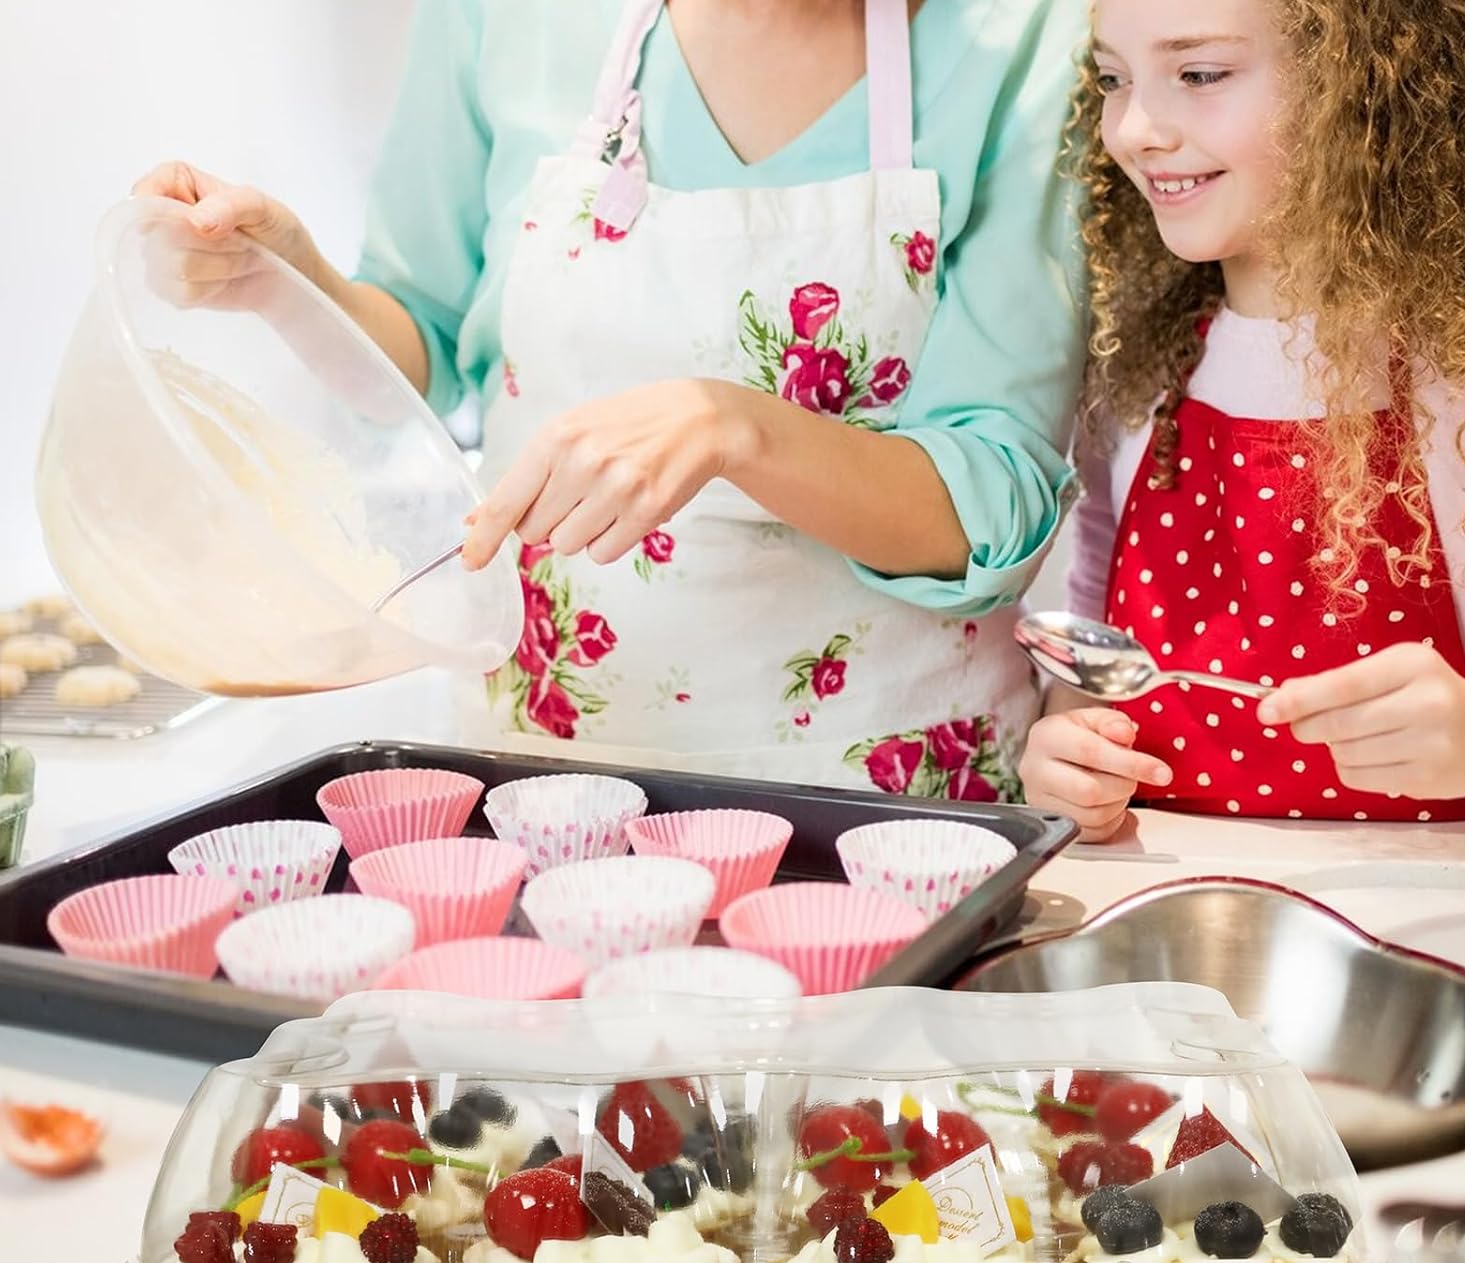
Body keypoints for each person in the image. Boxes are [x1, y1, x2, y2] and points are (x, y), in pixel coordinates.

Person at [135, 0, 1086, 800]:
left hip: (883, 811)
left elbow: (990, 506)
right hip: (544, 792)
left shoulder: (1020, 32)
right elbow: (420, 344)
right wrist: (287, 283)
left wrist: (738, 428)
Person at [1019, 0, 1465, 839]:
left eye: (1199, 74)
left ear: (1364, 85)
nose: (1133, 130)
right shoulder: (1136, 367)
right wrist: (1066, 758)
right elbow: (1090, 661)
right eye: (1112, 80)